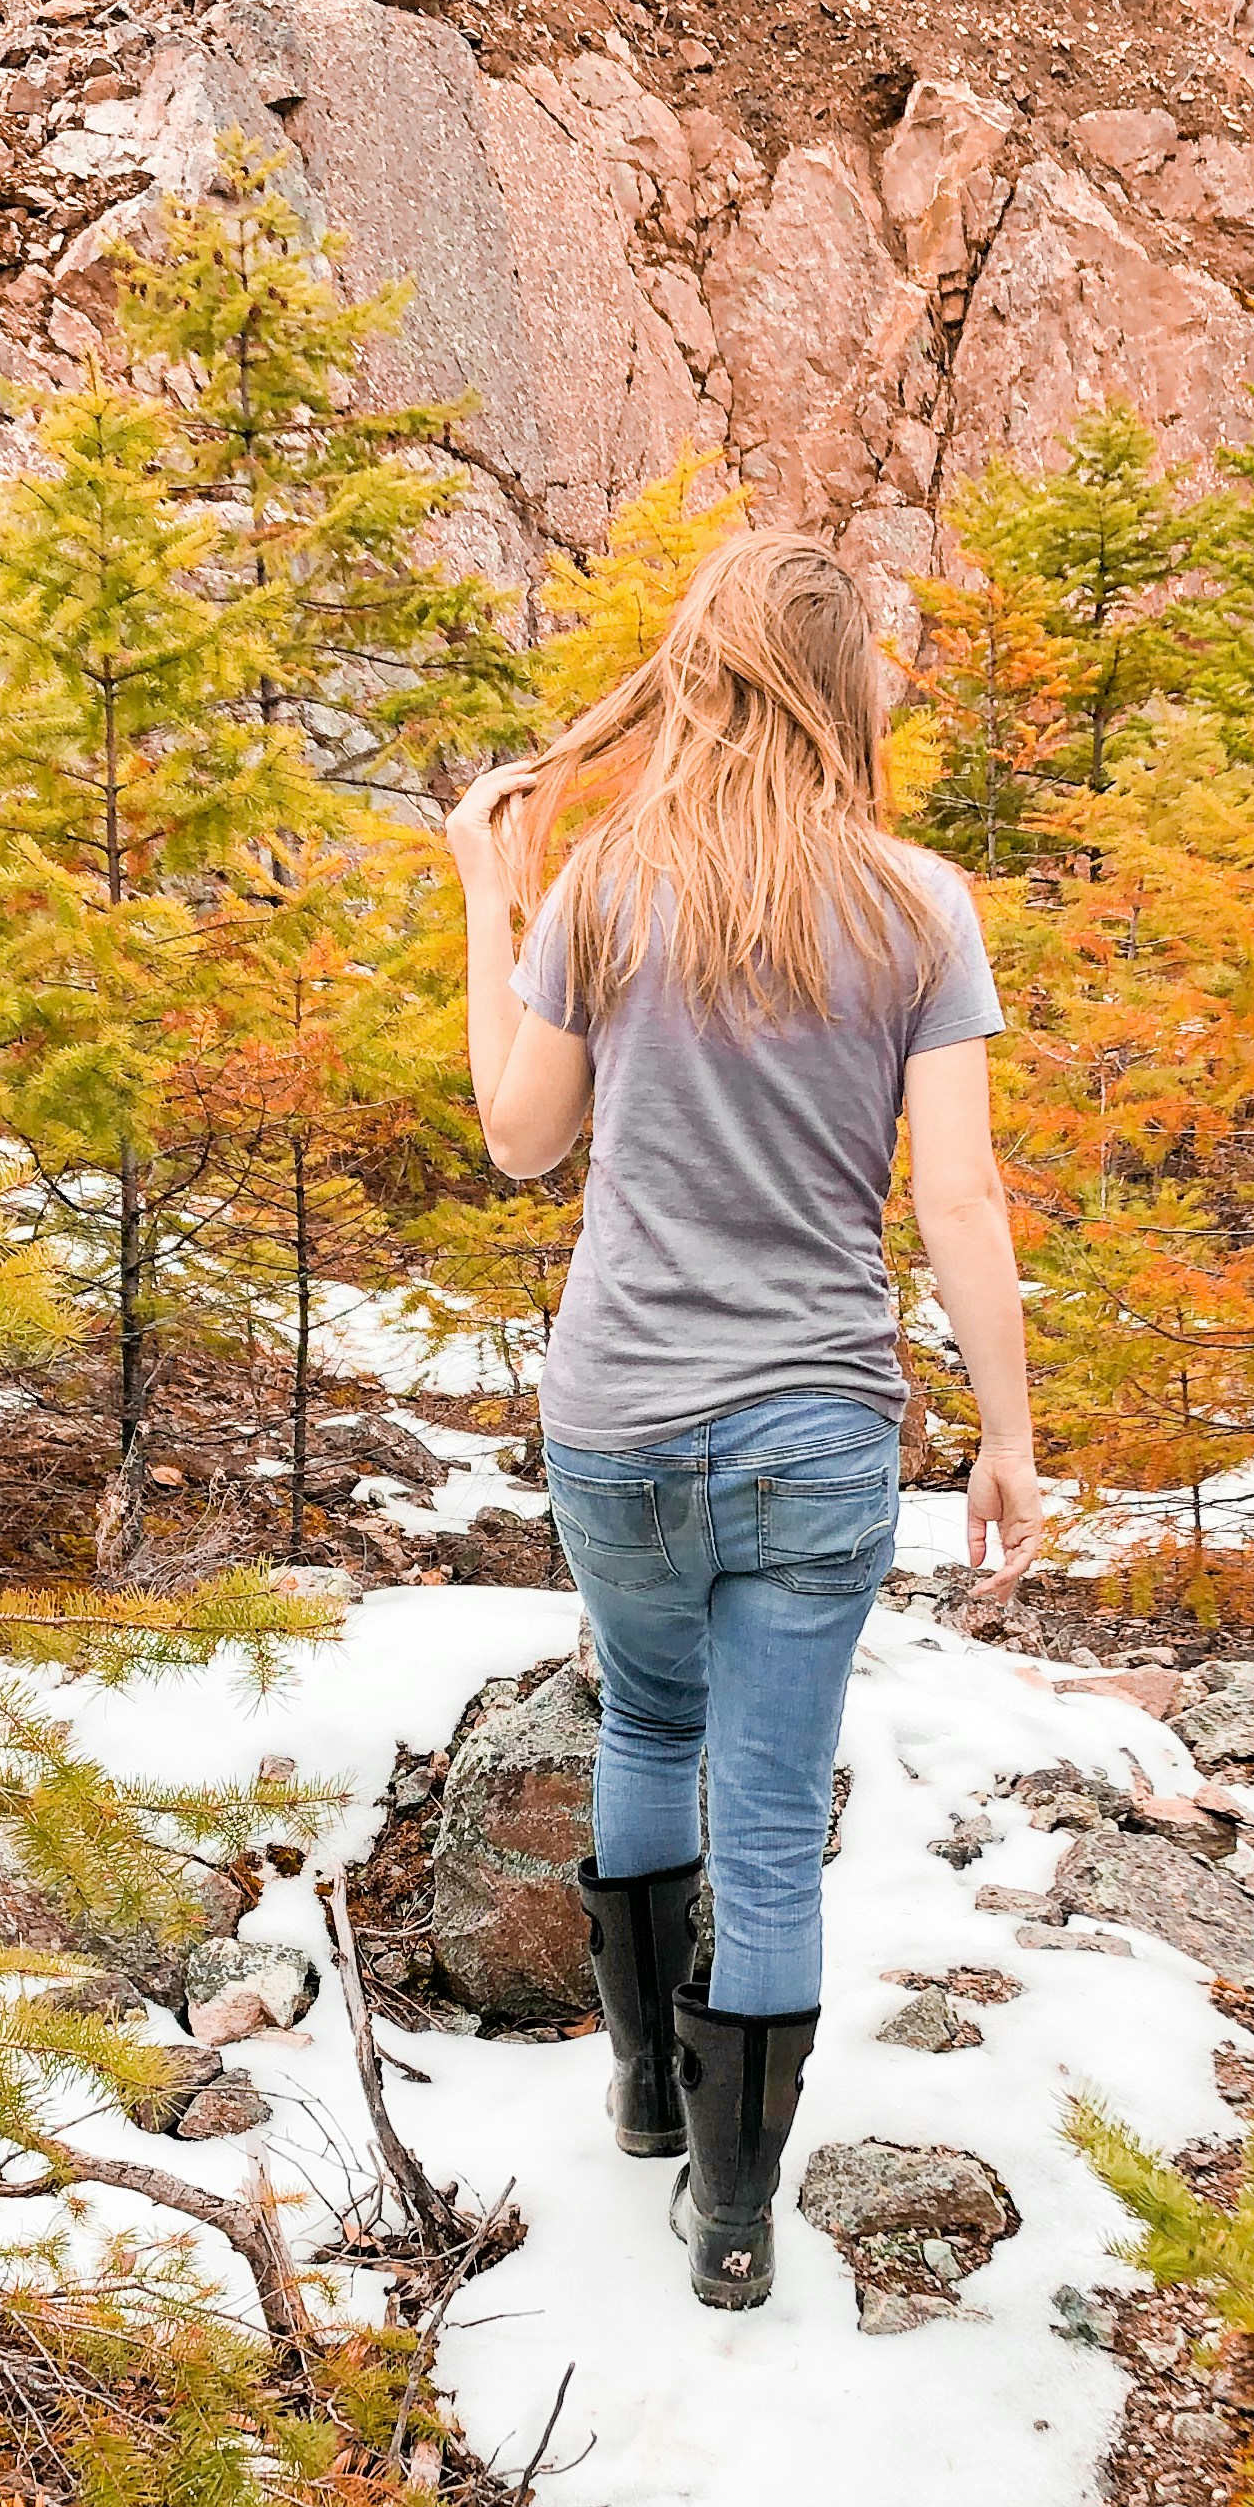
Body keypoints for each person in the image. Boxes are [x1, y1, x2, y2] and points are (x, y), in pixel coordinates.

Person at [446, 529, 1045, 2311]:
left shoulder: (609, 889)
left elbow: (517, 1136)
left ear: (696, 679)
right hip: (816, 1425)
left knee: (647, 1720)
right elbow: (958, 1201)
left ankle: (641, 2094)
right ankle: (731, 2221)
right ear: (847, 689)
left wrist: (497, 896)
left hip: (619, 1416)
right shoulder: (919, 907)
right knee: (773, 1818)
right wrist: (1008, 1435)